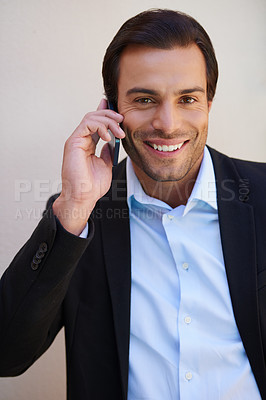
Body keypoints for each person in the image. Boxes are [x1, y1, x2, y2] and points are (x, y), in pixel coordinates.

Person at [0, 8, 266, 400]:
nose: (168, 123)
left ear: (208, 102)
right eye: (145, 99)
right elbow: (7, 354)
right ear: (112, 110)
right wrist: (74, 205)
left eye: (187, 98)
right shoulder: (81, 216)